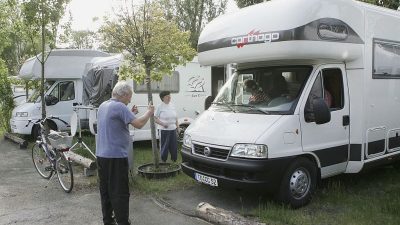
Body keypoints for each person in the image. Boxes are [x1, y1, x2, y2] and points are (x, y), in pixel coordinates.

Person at [96, 81, 154, 225]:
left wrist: (131, 113)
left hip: (101, 156)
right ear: (124, 94)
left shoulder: (103, 106)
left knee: (106, 191)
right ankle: (123, 222)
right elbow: (139, 124)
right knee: (120, 192)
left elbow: (114, 122)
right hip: (115, 157)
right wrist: (149, 112)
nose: (130, 100)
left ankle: (108, 221)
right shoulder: (120, 107)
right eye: (130, 97)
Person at [154, 91, 179, 163]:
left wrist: (178, 127)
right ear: (163, 98)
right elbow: (155, 118)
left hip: (173, 129)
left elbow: (176, 117)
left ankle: (174, 161)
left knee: (173, 146)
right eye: (167, 96)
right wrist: (163, 124)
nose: (169, 97)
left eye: (170, 96)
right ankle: (163, 161)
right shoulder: (160, 106)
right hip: (163, 130)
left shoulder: (172, 105)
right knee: (164, 146)